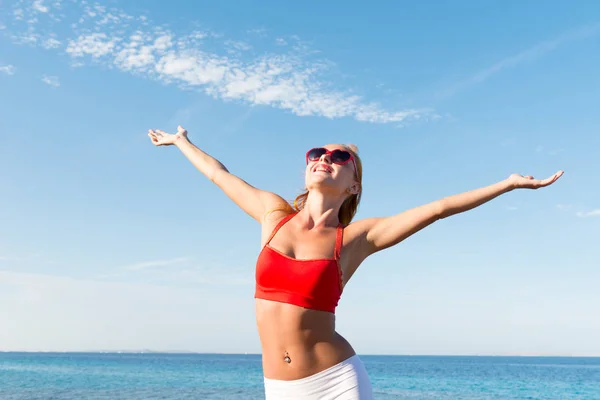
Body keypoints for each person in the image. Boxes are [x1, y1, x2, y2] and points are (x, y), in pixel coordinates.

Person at [147, 126, 563, 400]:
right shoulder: (273, 216)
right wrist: (181, 141)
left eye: (339, 157)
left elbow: (437, 208)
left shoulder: (355, 240)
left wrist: (507, 184)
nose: (324, 157)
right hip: (277, 386)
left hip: (335, 381)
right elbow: (220, 175)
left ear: (354, 185)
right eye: (317, 152)